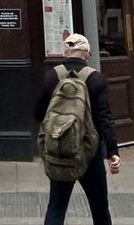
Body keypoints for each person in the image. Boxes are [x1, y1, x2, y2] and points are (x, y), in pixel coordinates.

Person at [34, 33, 120, 225]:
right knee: (100, 208)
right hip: (90, 153)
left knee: (56, 206)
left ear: (66, 52)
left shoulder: (51, 76)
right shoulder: (97, 79)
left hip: (61, 151)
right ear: (87, 54)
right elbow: (105, 118)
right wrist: (112, 151)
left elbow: (39, 113)